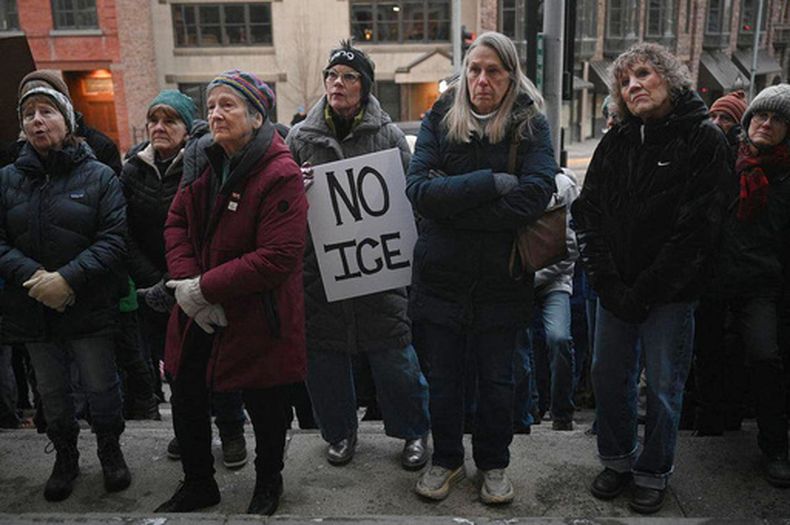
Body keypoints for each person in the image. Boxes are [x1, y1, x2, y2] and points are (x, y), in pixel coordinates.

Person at [571, 43, 730, 514]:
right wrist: (607, 280)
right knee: (608, 376)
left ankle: (653, 470)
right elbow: (588, 212)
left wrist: (643, 290)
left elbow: (698, 230)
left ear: (669, 78)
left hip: (670, 295)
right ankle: (617, 459)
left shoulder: (704, 139)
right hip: (614, 290)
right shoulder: (617, 140)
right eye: (624, 81)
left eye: (643, 74)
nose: (633, 85)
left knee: (663, 385)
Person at [406, 31, 556, 504]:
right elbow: (419, 191)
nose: (482, 79)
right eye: (474, 69)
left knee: (497, 383)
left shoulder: (529, 124)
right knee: (444, 382)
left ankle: (493, 463)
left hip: (501, 283)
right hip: (441, 281)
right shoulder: (439, 116)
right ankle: (446, 459)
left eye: (493, 70)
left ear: (511, 75)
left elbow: (536, 193)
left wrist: (455, 203)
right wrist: (491, 182)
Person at [156, 70, 308, 516]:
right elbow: (177, 223)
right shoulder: (203, 160)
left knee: (266, 405)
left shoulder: (280, 172)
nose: (216, 114)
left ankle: (268, 484)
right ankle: (199, 482)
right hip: (200, 308)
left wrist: (203, 288)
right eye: (211, 106)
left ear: (257, 116)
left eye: (228, 105)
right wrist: (187, 286)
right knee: (185, 392)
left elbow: (278, 257)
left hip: (260, 312)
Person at [286, 40, 430, 470]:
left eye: (349, 77)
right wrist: (295, 184)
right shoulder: (299, 138)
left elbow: (411, 199)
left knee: (395, 359)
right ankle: (339, 433)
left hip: (378, 270)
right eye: (332, 76)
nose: (338, 84)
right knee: (326, 362)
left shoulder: (388, 136)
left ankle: (413, 432)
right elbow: (280, 204)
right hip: (320, 271)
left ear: (365, 87)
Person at [0, 85, 130, 501]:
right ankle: (65, 456)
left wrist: (68, 280)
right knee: (51, 391)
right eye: (29, 114)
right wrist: (39, 280)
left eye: (47, 112)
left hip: (87, 304)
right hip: (33, 307)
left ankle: (110, 450)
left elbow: (113, 239)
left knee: (100, 386)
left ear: (68, 120)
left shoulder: (100, 177)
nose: (37, 121)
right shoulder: (6, 180)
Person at [120, 90, 248, 466]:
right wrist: (156, 281)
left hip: (200, 279)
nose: (159, 127)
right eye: (154, 120)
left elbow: (210, 223)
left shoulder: (205, 163)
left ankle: (231, 430)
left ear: (186, 127)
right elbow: (123, 234)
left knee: (218, 362)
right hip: (155, 288)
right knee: (174, 367)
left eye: (170, 120)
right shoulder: (132, 169)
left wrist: (186, 277)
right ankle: (188, 430)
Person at [697, 84, 790, 487]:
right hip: (713, 280)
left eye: (777, 119)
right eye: (760, 116)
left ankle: (775, 447)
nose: (766, 124)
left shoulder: (785, 175)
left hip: (761, 285)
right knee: (707, 360)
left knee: (765, 358)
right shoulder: (724, 159)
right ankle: (708, 431)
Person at [693, 88, 750, 436]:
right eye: (713, 116)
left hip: (737, 273)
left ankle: (724, 417)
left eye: (726, 118)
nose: (716, 123)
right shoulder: (701, 157)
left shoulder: (747, 165)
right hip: (705, 273)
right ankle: (703, 419)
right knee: (704, 350)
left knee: (733, 352)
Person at [515, 167, 580, 433]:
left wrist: (536, 275)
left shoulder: (563, 186)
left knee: (559, 338)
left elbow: (572, 245)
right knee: (521, 347)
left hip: (554, 279)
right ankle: (530, 409)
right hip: (520, 280)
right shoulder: (512, 181)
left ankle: (562, 411)